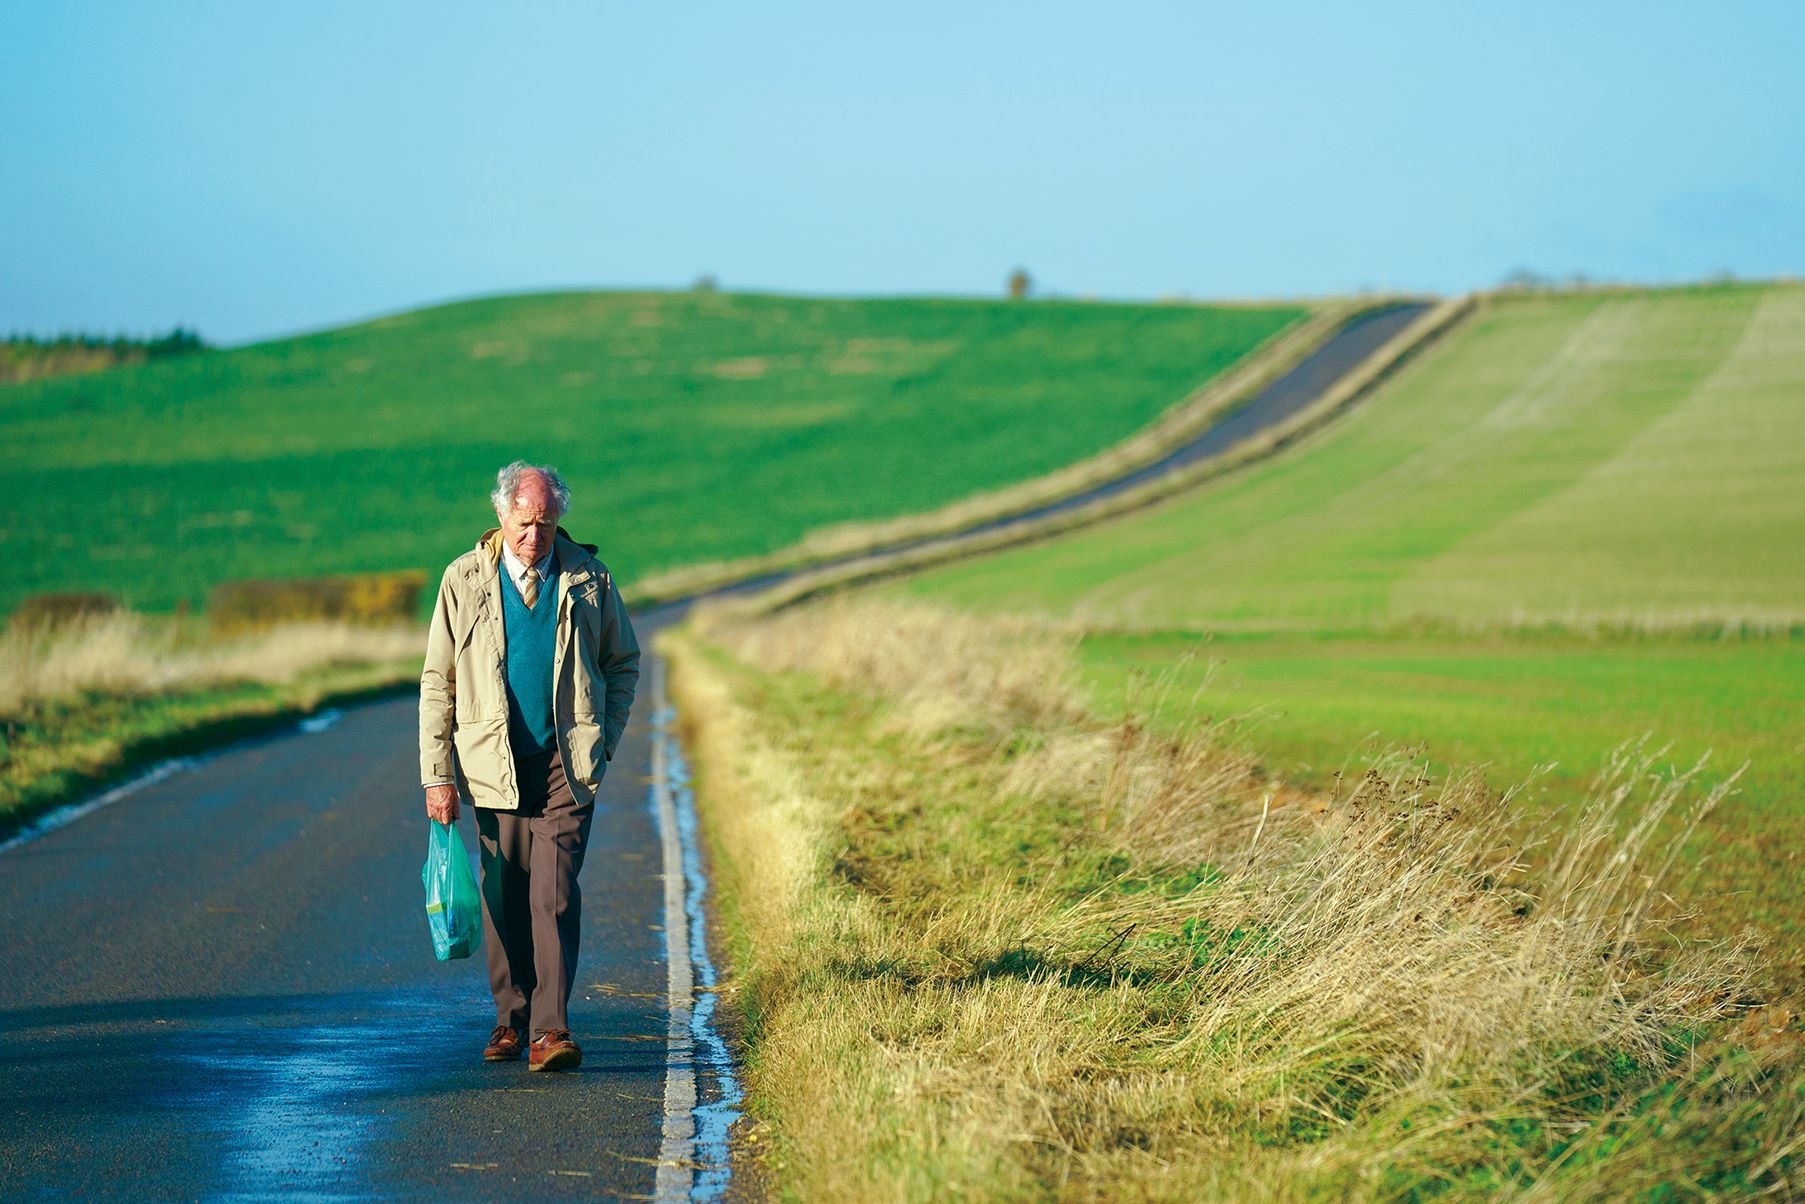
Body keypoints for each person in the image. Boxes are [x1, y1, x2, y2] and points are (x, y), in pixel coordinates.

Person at [418, 461, 640, 1071]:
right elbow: (437, 683)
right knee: (503, 893)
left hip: (566, 766)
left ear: (558, 518)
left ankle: (551, 1030)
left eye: (545, 523)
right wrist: (437, 775)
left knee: (554, 894)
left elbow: (624, 663)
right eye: (523, 522)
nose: (534, 536)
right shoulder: (462, 580)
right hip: (494, 766)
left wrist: (604, 739)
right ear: (500, 515)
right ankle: (510, 1019)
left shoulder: (589, 580)